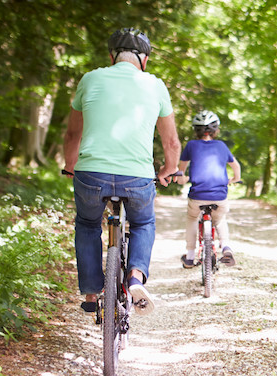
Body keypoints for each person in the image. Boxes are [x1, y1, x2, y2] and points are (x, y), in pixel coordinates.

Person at [63, 28, 181, 316]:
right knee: (142, 224)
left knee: (89, 225)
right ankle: (136, 278)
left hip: (91, 174)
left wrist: (70, 167)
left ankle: (91, 293)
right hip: (137, 177)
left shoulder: (90, 79)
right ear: (144, 59)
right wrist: (169, 169)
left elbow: (72, 134)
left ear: (111, 56)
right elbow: (172, 142)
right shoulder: (155, 85)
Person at [176, 110, 242, 268]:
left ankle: (190, 256)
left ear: (196, 130)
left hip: (198, 195)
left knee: (192, 218)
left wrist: (181, 180)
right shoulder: (221, 145)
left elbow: (181, 171)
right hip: (219, 195)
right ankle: (226, 248)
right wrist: (234, 179)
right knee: (219, 219)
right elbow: (236, 167)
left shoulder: (191, 145)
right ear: (216, 130)